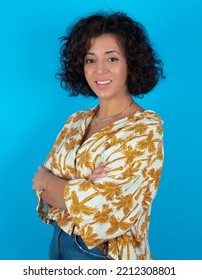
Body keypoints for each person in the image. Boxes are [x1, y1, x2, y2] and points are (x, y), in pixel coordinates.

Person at [32, 11, 165, 260]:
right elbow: (44, 194)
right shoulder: (76, 121)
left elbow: (101, 207)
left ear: (131, 63)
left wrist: (49, 181)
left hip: (104, 254)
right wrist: (81, 186)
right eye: (90, 60)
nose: (99, 70)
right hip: (59, 242)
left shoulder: (144, 129)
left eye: (112, 58)